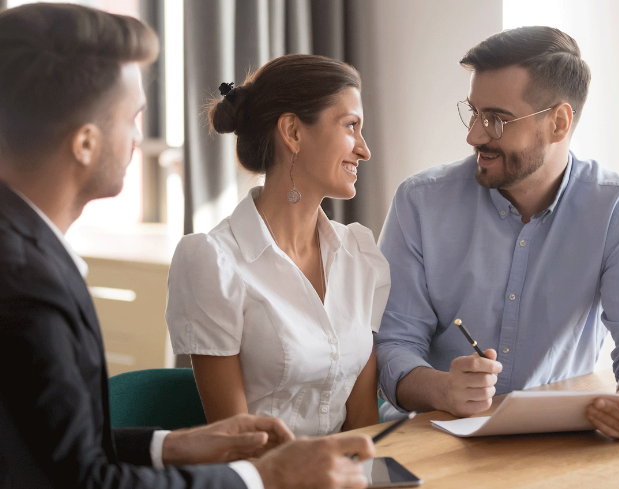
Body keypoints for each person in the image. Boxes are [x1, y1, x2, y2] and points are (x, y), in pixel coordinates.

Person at [0, 4, 375, 488]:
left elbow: (56, 444)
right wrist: (261, 480)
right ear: (86, 143)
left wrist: (170, 444)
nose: (140, 138)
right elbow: (83, 480)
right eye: (133, 118)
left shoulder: (33, 256)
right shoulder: (25, 282)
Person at [374, 26, 619, 441]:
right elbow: (391, 346)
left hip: (558, 445)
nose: (474, 135)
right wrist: (444, 389)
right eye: (473, 112)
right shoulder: (419, 202)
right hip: (438, 439)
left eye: (496, 120)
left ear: (559, 123)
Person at [166, 54, 390, 436]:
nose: (364, 149)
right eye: (351, 126)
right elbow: (239, 440)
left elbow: (363, 423)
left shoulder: (359, 253)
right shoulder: (212, 261)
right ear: (294, 133)